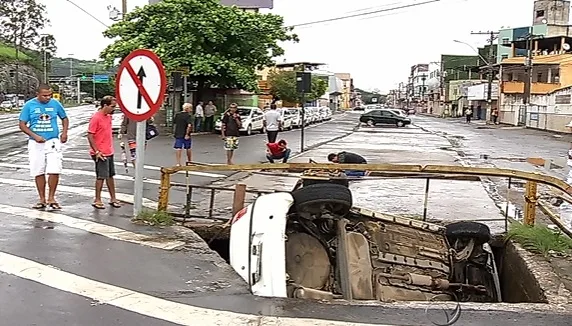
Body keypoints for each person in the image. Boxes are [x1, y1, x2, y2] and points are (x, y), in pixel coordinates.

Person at [19, 85, 69, 210]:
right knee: (38, 170)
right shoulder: (29, 105)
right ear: (38, 94)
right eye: (45, 95)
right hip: (36, 143)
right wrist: (35, 136)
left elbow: (64, 118)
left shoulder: (55, 104)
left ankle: (52, 198)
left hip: (52, 141)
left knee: (54, 169)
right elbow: (22, 125)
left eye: (49, 95)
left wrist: (64, 132)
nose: (48, 98)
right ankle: (42, 199)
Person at [87, 96, 121, 209]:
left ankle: (113, 198)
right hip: (100, 152)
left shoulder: (108, 117)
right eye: (112, 106)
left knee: (110, 176)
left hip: (108, 150)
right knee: (101, 176)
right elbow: (90, 135)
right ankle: (97, 199)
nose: (114, 109)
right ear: (105, 105)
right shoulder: (96, 118)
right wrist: (96, 151)